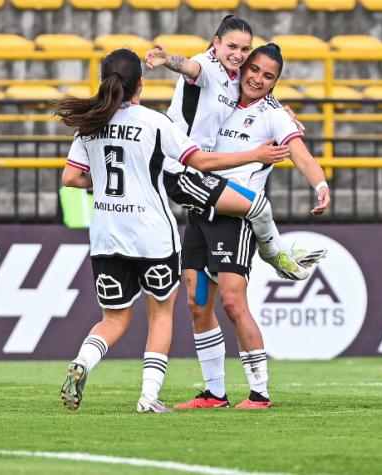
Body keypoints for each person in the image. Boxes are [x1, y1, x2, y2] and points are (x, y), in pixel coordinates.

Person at [53, 49, 290, 413]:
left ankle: (83, 362)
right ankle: (148, 397)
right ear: (141, 85)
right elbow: (202, 161)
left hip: (105, 235)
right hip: (151, 234)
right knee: (161, 314)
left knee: (114, 318)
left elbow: (71, 177)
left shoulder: (90, 124)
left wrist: (101, 181)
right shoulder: (154, 123)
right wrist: (254, 155)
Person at [172, 43, 330, 410]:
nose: (258, 79)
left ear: (276, 81)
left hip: (236, 220)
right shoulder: (221, 96)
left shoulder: (274, 114)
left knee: (232, 301)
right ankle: (214, 393)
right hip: (200, 212)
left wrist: (321, 186)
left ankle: (260, 392)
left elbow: (301, 155)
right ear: (243, 66)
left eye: (268, 75)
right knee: (197, 304)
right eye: (254, 69)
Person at [144, 15, 324, 281]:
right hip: (182, 170)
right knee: (258, 207)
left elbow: (263, 85)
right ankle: (273, 252)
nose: (238, 55)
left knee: (200, 300)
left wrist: (285, 113)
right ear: (216, 42)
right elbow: (191, 67)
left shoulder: (237, 74)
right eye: (232, 46)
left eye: (244, 49)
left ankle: (228, 266)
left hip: (203, 175)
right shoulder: (208, 65)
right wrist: (168, 60)